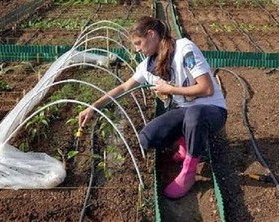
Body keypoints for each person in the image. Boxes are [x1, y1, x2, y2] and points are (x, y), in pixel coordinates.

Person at [78, 16, 227, 199]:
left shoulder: (184, 50)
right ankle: (186, 145)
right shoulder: (148, 66)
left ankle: (189, 171)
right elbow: (124, 87)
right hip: (185, 113)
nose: (137, 48)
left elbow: (206, 88)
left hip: (211, 110)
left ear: (151, 35)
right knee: (147, 137)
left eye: (138, 43)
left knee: (194, 114)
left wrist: (170, 89)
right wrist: (93, 107)